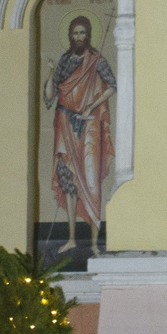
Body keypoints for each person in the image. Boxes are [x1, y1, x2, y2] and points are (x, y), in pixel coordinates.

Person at [49, 13, 115, 255]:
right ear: (70, 35)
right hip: (64, 125)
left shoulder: (97, 61)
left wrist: (91, 105)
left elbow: (112, 87)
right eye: (75, 33)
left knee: (90, 181)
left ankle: (96, 243)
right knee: (68, 182)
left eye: (82, 33)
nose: (79, 37)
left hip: (88, 128)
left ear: (88, 35)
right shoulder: (65, 61)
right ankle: (72, 239)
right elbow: (51, 94)